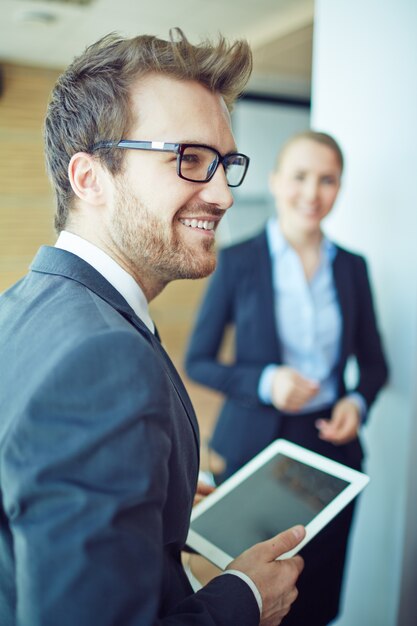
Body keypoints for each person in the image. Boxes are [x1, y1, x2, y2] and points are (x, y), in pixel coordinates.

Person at [0, 28, 307, 626]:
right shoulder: (102, 358)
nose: (221, 193)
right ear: (90, 178)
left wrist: (155, 501)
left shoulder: (20, 303)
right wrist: (243, 597)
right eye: (189, 159)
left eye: (224, 163)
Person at [185, 130, 388, 625]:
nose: (312, 193)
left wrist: (355, 402)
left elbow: (376, 365)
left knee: (317, 594)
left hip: (331, 447)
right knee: (257, 593)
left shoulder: (354, 268)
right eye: (300, 176)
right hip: (256, 448)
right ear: (275, 181)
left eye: (327, 180)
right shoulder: (236, 261)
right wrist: (264, 381)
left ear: (339, 188)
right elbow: (199, 360)